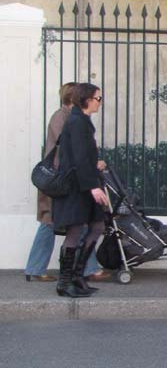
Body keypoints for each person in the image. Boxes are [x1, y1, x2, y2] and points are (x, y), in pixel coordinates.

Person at [25, 83, 108, 283]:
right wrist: (90, 165)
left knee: (74, 224)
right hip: (60, 182)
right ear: (75, 98)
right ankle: (41, 269)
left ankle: (83, 270)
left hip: (65, 179)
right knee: (53, 223)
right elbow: (69, 153)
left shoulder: (72, 118)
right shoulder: (64, 118)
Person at [52, 83, 109, 297]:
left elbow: (84, 157)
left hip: (86, 183)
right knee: (75, 232)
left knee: (97, 226)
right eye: (98, 98)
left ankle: (78, 276)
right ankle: (64, 282)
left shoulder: (83, 121)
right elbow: (77, 158)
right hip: (78, 187)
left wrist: (95, 166)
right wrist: (93, 187)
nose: (100, 102)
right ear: (86, 99)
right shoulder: (76, 122)